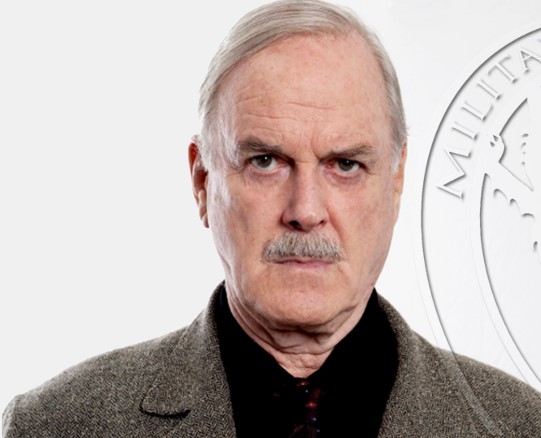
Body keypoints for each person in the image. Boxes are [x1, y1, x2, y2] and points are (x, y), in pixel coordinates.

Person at [3, 0, 541, 436]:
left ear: (395, 182)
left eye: (345, 165)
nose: (305, 211)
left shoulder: (522, 426)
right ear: (202, 181)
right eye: (265, 161)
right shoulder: (52, 425)